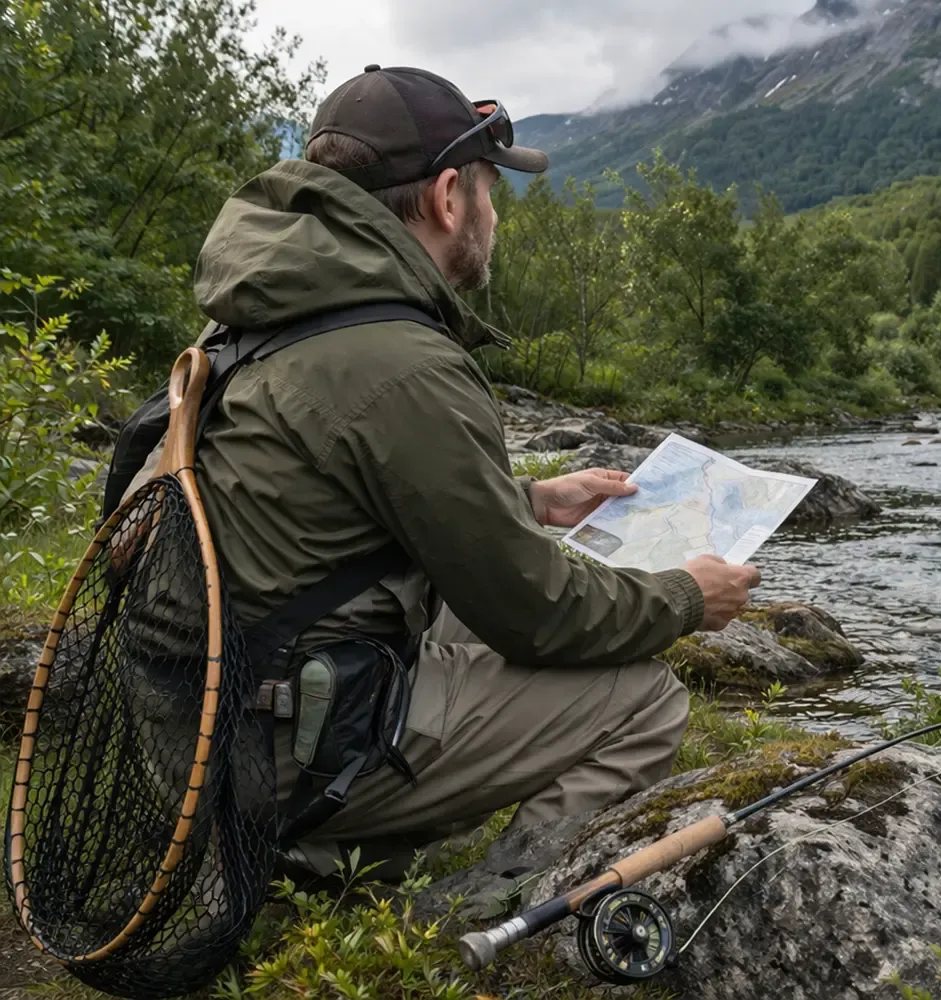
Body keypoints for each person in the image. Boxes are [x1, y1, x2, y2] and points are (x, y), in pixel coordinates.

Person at [165, 64, 761, 879]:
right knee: (644, 700)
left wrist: (526, 500)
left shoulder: (268, 308)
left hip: (196, 713)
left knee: (462, 608)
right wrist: (690, 595)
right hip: (270, 743)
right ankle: (480, 910)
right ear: (450, 197)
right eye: (489, 190)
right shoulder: (403, 363)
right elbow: (538, 616)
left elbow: (323, 506)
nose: (492, 213)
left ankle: (329, 849)